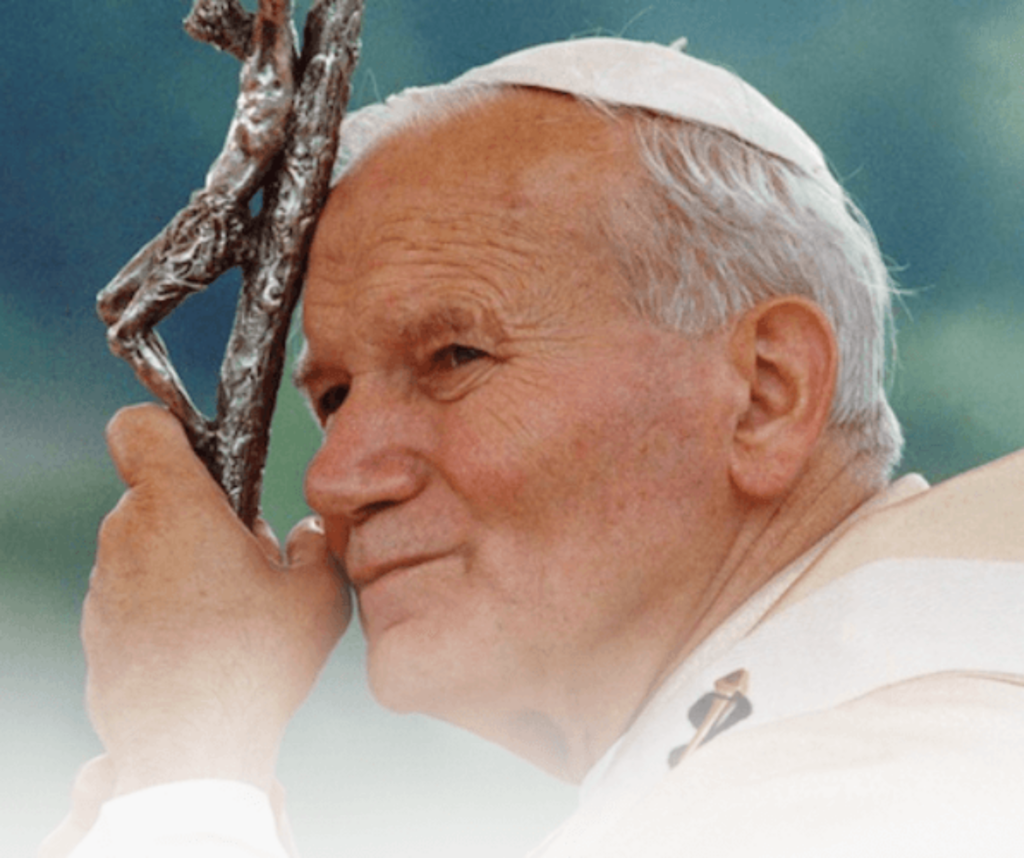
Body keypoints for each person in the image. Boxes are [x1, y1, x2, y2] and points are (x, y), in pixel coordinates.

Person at [43, 37, 1024, 858]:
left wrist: (188, 760)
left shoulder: (898, 790)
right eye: (334, 398)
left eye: (454, 357)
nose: (336, 478)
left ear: (765, 393)